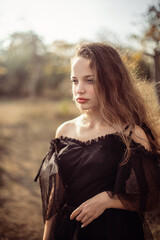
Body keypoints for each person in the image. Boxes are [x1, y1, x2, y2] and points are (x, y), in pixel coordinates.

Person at [34, 42, 160, 240]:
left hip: (116, 231)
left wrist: (108, 200)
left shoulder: (131, 134)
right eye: (74, 81)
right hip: (69, 231)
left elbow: (151, 197)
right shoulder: (64, 130)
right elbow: (55, 197)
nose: (79, 90)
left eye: (90, 81)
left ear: (112, 81)